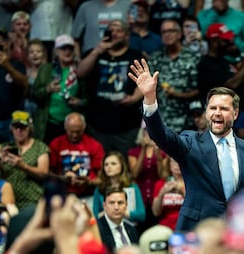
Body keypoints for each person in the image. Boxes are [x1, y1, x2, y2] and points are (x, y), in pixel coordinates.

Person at [130, 60, 244, 232]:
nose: (217, 113)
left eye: (223, 108)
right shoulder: (190, 142)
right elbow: (161, 136)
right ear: (207, 112)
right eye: (212, 108)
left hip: (237, 236)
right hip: (197, 233)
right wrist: (150, 99)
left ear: (236, 113)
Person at [78, 19, 143, 158]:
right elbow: (81, 73)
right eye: (111, 30)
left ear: (127, 35)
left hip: (126, 126)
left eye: (118, 30)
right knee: (102, 167)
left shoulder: (135, 56)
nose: (114, 33)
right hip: (97, 125)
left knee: (124, 168)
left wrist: (134, 98)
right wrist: (97, 51)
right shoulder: (95, 53)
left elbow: (144, 82)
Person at [146, 18, 200, 134]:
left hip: (187, 121)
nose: (167, 34)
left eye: (170, 31)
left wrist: (178, 95)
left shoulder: (193, 57)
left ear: (179, 34)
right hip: (162, 120)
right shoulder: (155, 58)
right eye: (164, 32)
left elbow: (199, 90)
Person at [32, 34, 85, 144]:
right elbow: (34, 95)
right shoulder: (46, 70)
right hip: (48, 124)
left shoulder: (80, 70)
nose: (67, 52)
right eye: (63, 48)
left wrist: (79, 102)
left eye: (70, 48)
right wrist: (47, 89)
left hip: (71, 126)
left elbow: (88, 99)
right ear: (56, 51)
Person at [0, 111, 50, 209]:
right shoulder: (5, 148)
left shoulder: (40, 147)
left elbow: (44, 174)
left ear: (29, 128)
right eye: (16, 127)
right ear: (11, 129)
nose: (19, 131)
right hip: (8, 202)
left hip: (31, 201)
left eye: (22, 127)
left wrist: (23, 166)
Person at [48, 112, 105, 199]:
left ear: (84, 128)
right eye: (71, 132)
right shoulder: (56, 144)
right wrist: (61, 179)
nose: (74, 135)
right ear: (65, 128)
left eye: (78, 132)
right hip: (62, 194)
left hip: (89, 193)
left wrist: (89, 182)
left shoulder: (95, 145)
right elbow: (47, 173)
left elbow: (102, 178)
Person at [93, 152, 146, 224]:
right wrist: (109, 211)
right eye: (106, 164)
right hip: (106, 228)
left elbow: (141, 215)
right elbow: (95, 216)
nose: (109, 167)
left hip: (130, 227)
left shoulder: (132, 187)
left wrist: (120, 212)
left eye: (113, 163)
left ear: (121, 166)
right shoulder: (99, 189)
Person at [128, 127, 164, 224]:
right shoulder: (134, 152)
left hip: (156, 195)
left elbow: (163, 176)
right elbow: (135, 174)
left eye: (151, 132)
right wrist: (143, 150)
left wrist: (158, 156)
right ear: (141, 134)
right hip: (140, 195)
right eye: (146, 133)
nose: (148, 135)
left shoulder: (163, 151)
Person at [97, 185, 140, 253]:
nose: (116, 207)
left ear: (126, 205)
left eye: (120, 203)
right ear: (104, 206)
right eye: (112, 203)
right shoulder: (97, 230)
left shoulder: (132, 230)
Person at [151, 158, 185, 229]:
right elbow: (156, 212)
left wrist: (182, 192)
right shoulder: (160, 184)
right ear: (169, 164)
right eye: (174, 162)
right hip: (165, 227)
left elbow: (196, 207)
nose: (177, 165)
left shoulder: (191, 184)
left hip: (185, 224)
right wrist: (162, 193)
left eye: (180, 162)